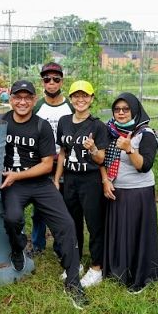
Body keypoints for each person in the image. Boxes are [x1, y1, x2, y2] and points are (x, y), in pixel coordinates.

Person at [0, 79, 89, 309]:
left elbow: (48, 165)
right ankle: (18, 247)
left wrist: (16, 175)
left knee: (66, 225)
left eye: (27, 98)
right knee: (12, 218)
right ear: (10, 99)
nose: (22, 102)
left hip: (39, 184)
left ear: (33, 100)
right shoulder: (0, 123)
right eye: (17, 97)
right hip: (13, 186)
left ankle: (73, 281)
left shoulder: (41, 126)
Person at [102, 92, 158, 293]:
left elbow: (143, 166)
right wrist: (106, 180)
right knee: (120, 232)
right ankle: (119, 271)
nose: (121, 113)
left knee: (136, 235)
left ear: (134, 111)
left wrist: (129, 149)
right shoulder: (111, 130)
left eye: (126, 109)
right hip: (116, 191)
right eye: (117, 109)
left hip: (138, 193)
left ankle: (141, 276)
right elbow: (103, 160)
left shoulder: (146, 134)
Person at [53, 80, 108, 288]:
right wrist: (57, 179)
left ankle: (96, 267)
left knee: (94, 224)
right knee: (72, 223)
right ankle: (75, 264)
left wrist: (93, 149)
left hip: (90, 180)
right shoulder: (64, 121)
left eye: (85, 95)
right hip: (71, 179)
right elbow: (62, 153)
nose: (80, 99)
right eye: (76, 95)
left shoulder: (97, 126)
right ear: (71, 98)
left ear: (92, 98)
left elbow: (101, 158)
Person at [29, 62, 74, 256]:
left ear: (61, 81)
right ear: (43, 82)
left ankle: (60, 245)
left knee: (62, 207)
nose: (52, 83)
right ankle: (38, 244)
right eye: (47, 79)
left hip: (65, 162)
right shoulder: (38, 106)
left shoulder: (70, 106)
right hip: (42, 162)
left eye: (56, 79)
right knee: (39, 208)